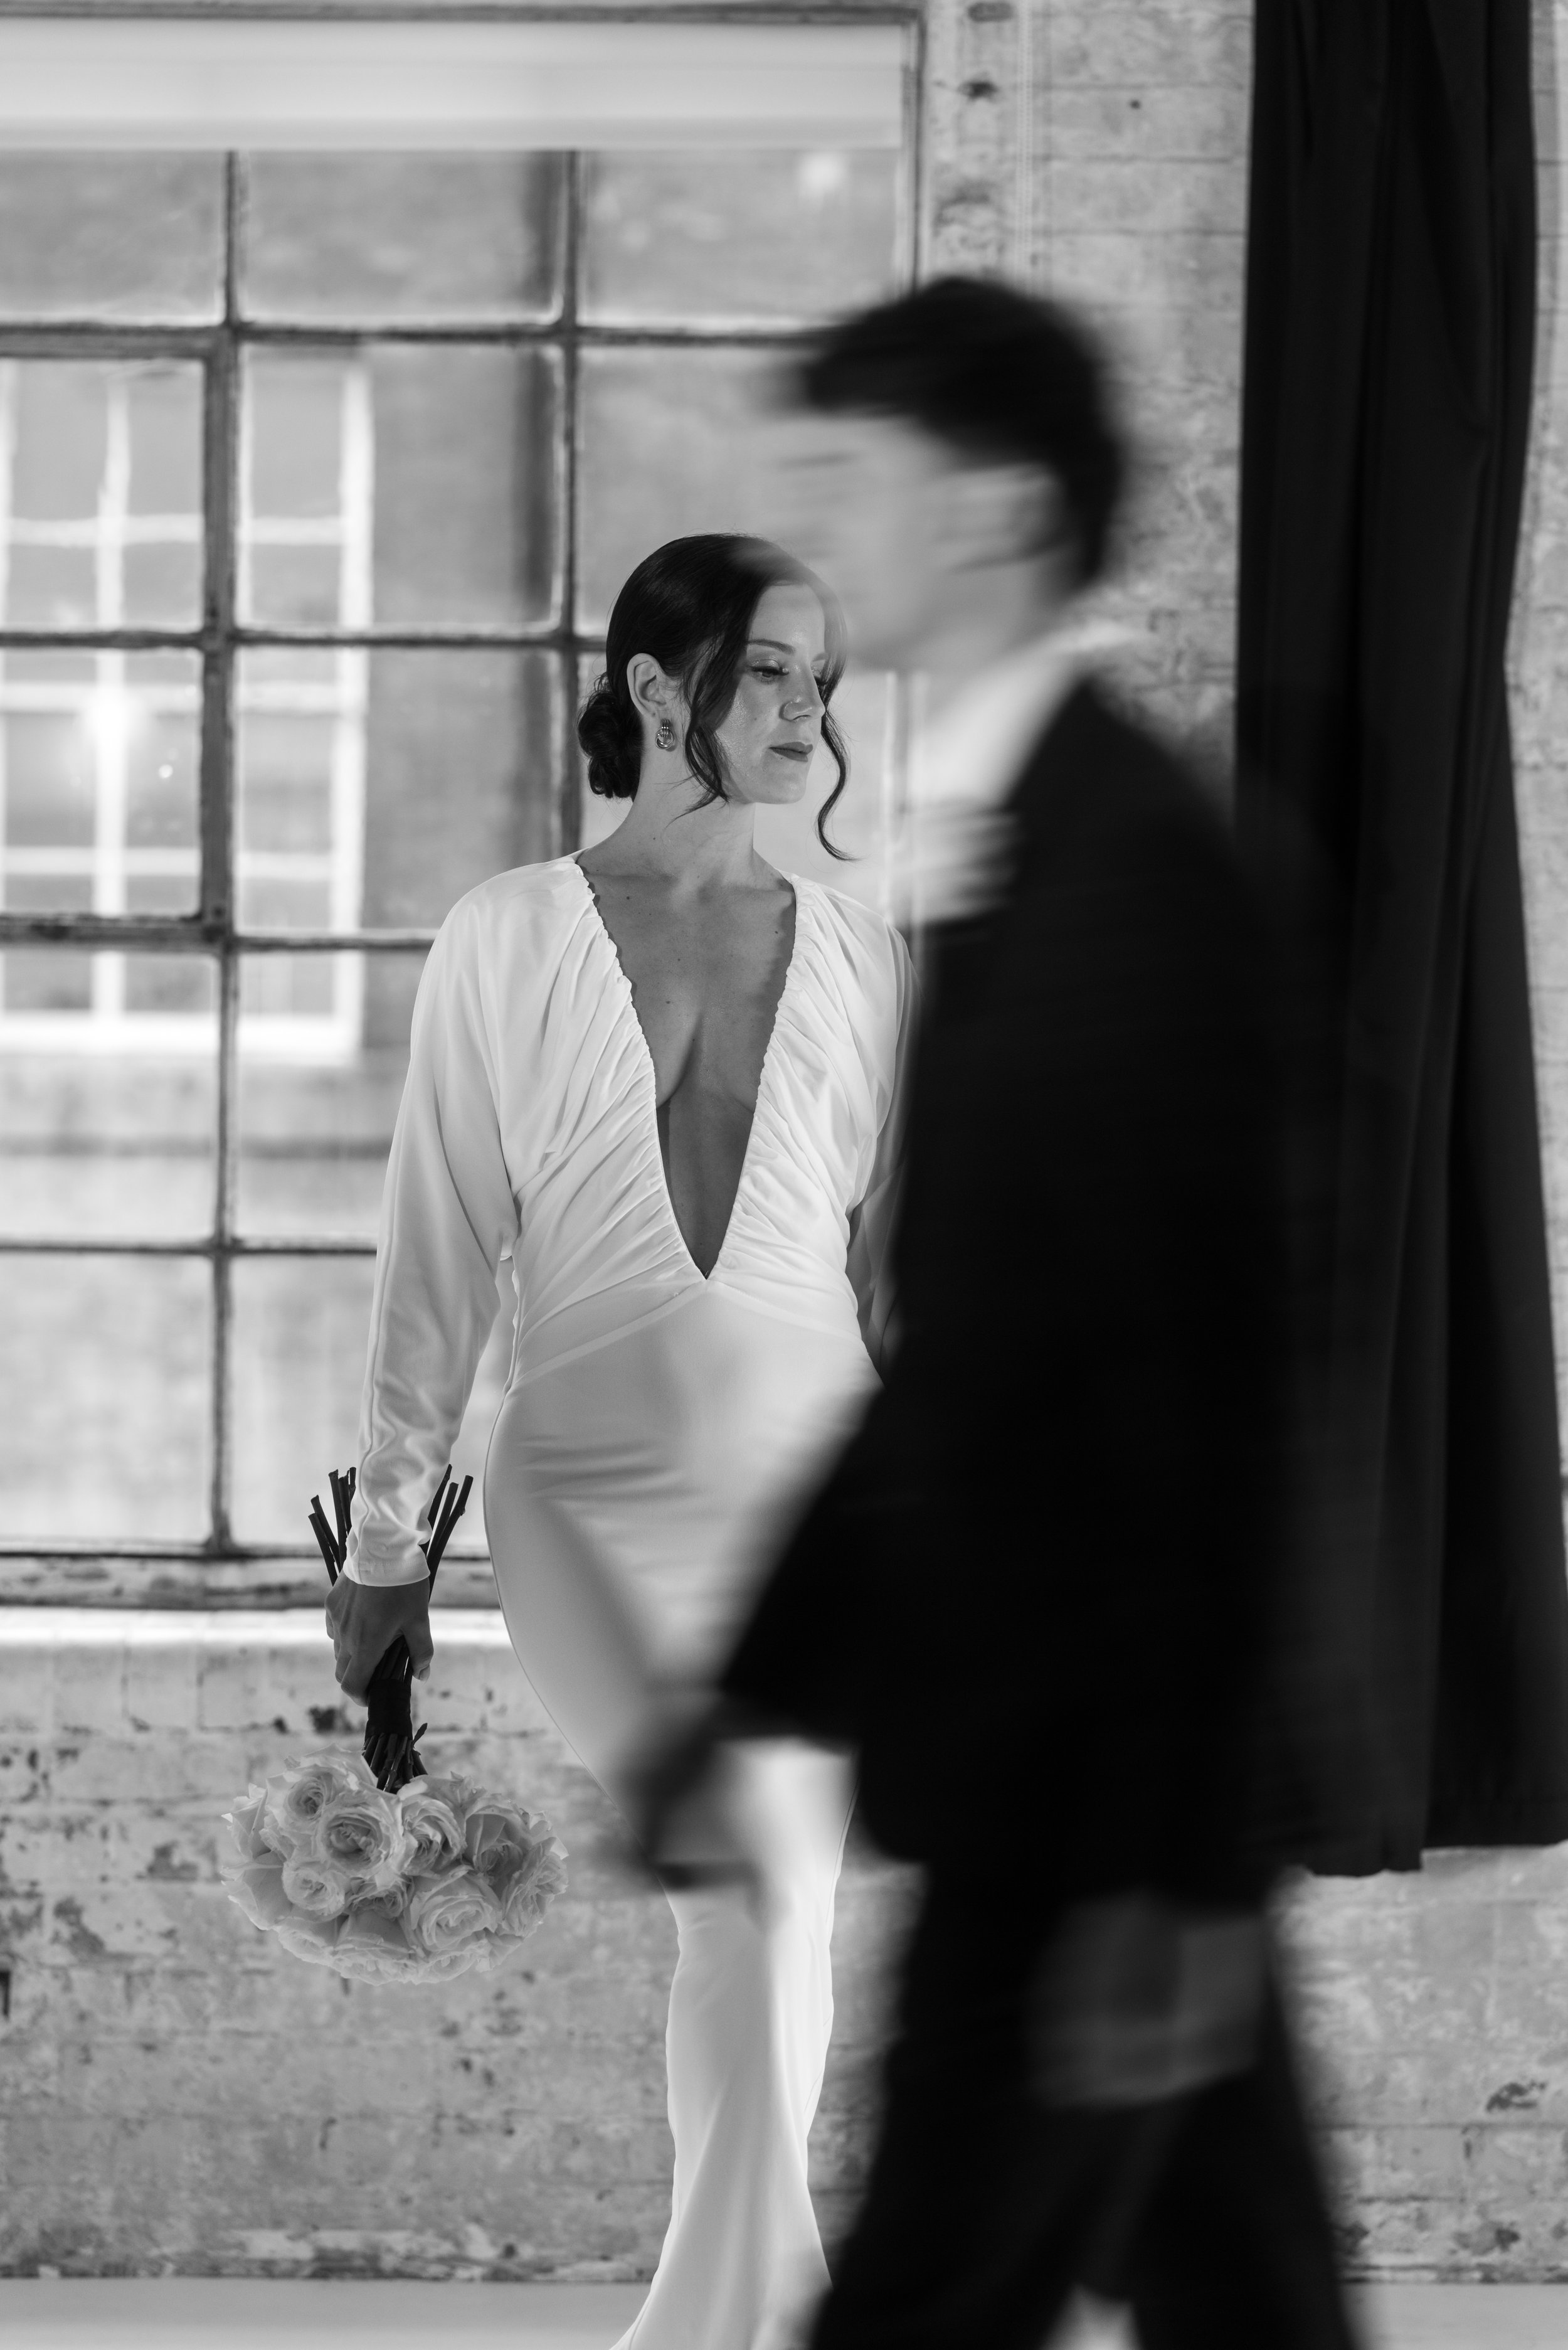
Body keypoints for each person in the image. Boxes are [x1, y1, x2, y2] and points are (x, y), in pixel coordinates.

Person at [636, 282, 1362, 2349]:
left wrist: (1163, 1865)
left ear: (999, 512)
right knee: (1241, 2289)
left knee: (937, 2296)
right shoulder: (1029, 839)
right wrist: (748, 1691)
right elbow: (976, 1346)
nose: (806, 533)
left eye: (842, 483)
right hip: (1085, 1772)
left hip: (1090, 1789)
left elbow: (1199, 1403)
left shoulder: (1142, 870)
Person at [326, 534, 914, 2350]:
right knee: (751, 1877)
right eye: (769, 673)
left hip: (819, 1497)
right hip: (590, 1504)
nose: (812, 711)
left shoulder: (863, 943)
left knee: (766, 1901)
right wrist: (383, 1552)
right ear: (660, 693)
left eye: (823, 674)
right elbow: (436, 1259)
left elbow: (899, 1292)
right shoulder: (508, 931)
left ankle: (726, 2318)